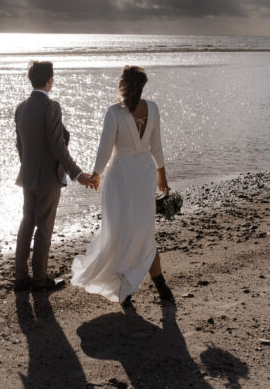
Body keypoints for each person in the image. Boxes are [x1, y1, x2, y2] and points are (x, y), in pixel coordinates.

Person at [71, 65, 174, 307]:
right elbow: (156, 147)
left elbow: (105, 148)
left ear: (123, 84)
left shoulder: (115, 112)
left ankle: (126, 289)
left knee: (119, 232)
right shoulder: (153, 108)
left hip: (121, 178)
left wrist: (95, 174)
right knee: (143, 231)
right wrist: (162, 175)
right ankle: (160, 286)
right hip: (144, 175)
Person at [14, 60, 98, 292]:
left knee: (26, 223)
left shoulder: (21, 107)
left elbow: (19, 145)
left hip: (27, 176)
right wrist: (78, 174)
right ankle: (40, 279)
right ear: (49, 80)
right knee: (44, 228)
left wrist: (28, 166)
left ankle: (21, 276)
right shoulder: (52, 107)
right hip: (48, 178)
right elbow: (58, 146)